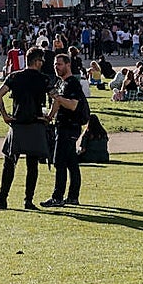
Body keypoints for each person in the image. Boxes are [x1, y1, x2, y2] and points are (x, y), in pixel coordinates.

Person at [0, 46, 50, 211]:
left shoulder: (14, 77)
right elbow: (56, 98)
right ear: (37, 61)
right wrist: (49, 116)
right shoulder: (44, 79)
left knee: (9, 162)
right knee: (32, 165)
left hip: (18, 124)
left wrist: (5, 115)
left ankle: (2, 198)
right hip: (35, 124)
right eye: (42, 60)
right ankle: (28, 201)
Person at [41, 53, 87, 207]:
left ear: (68, 65)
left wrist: (58, 99)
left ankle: (58, 197)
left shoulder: (72, 83)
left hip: (69, 127)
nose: (56, 67)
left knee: (60, 162)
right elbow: (57, 103)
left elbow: (73, 105)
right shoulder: (61, 83)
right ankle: (73, 197)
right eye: (55, 64)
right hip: (62, 126)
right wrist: (48, 117)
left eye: (59, 64)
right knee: (72, 163)